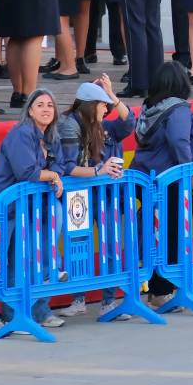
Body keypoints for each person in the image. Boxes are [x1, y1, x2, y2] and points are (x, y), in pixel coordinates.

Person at [0, 89, 68, 335]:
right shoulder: (21, 133)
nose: (46, 109)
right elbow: (28, 172)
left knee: (16, 262)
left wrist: (54, 173)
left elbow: (60, 163)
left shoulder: (51, 134)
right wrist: (53, 176)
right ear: (30, 110)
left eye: (50, 105)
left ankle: (14, 315)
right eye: (40, 105)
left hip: (21, 208)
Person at [55, 77, 134, 320]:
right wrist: (99, 171)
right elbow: (68, 167)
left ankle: (109, 301)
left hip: (106, 197)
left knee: (111, 245)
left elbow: (129, 122)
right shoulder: (70, 126)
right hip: (79, 196)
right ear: (91, 105)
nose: (107, 109)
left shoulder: (105, 127)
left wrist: (112, 94)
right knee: (78, 245)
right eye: (103, 104)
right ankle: (78, 298)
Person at [130, 61, 193, 308]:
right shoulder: (178, 110)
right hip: (173, 182)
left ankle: (157, 290)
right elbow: (179, 141)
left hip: (150, 179)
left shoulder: (149, 108)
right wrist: (190, 173)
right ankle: (164, 290)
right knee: (173, 237)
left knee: (156, 235)